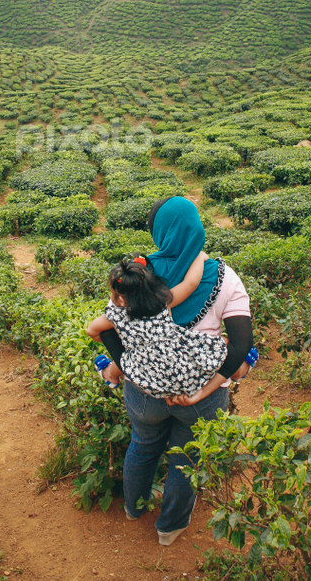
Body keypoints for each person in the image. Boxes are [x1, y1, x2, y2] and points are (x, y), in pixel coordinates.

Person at [98, 196, 253, 547]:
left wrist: (128, 366)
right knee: (187, 457)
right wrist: (207, 389)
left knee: (142, 446)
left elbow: (110, 326)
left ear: (159, 233)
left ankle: (134, 511)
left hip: (144, 391)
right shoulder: (225, 278)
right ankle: (169, 529)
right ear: (196, 227)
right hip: (201, 395)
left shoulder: (137, 275)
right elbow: (241, 344)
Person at [86, 257, 228, 397]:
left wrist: (123, 336)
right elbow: (190, 284)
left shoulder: (115, 316)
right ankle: (241, 363)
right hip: (186, 372)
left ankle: (109, 375)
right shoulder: (161, 302)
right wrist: (200, 258)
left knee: (128, 353)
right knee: (222, 342)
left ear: (122, 300)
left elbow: (91, 330)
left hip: (150, 382)